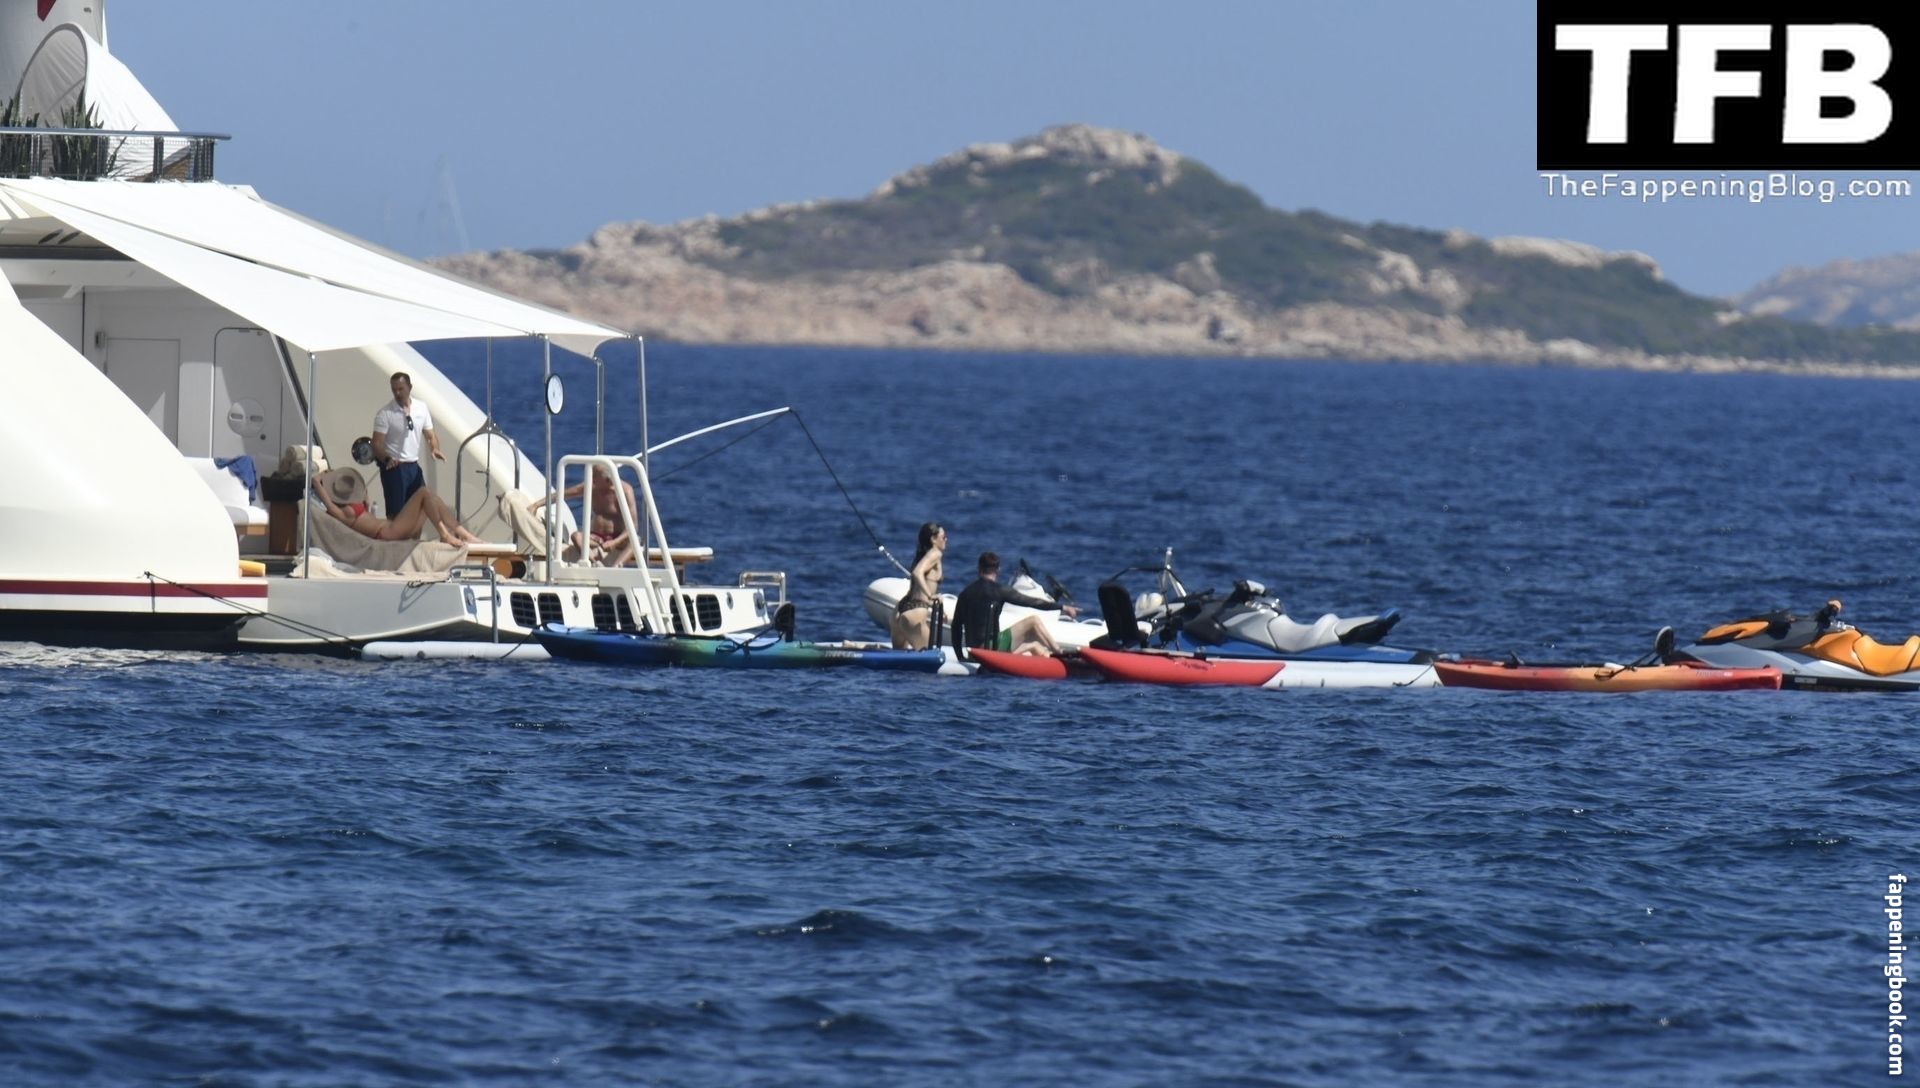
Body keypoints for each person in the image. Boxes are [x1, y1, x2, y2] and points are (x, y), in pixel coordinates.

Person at [951, 551, 1078, 660]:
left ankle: (1051, 661)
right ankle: (1060, 653)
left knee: (1034, 646)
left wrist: (960, 657)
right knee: (1033, 621)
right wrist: (1062, 607)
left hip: (974, 652)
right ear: (998, 570)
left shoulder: (965, 594)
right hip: (991, 650)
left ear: (978, 568)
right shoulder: (1000, 590)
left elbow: (955, 627)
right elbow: (1033, 602)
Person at [313, 467, 480, 545]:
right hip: (387, 533)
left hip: (393, 528)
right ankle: (445, 535)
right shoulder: (341, 513)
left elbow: (363, 490)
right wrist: (320, 478)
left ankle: (464, 535)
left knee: (432, 498)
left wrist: (329, 474)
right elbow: (316, 482)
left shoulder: (354, 503)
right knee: (423, 492)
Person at [530, 465, 640, 566]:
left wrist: (615, 542)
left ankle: (616, 567)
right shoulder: (592, 486)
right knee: (576, 536)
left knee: (635, 541)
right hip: (596, 537)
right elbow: (564, 494)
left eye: (594, 476)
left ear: (607, 479)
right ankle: (594, 562)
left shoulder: (625, 491)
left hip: (617, 538)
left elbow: (633, 527)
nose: (591, 479)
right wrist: (537, 505)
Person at [371, 371, 443, 516]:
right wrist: (387, 459)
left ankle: (415, 532)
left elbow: (430, 435)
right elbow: (376, 444)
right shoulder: (385, 414)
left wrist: (434, 448)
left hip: (413, 466)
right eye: (394, 390)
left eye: (401, 389)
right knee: (397, 513)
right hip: (395, 468)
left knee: (421, 507)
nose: (397, 393)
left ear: (410, 387)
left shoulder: (421, 408)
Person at [889, 522, 946, 649]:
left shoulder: (921, 555)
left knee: (898, 656)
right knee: (928, 656)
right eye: (943, 537)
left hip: (902, 607)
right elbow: (917, 572)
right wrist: (930, 596)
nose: (946, 540)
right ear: (933, 539)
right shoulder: (935, 553)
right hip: (916, 611)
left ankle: (854, 646)